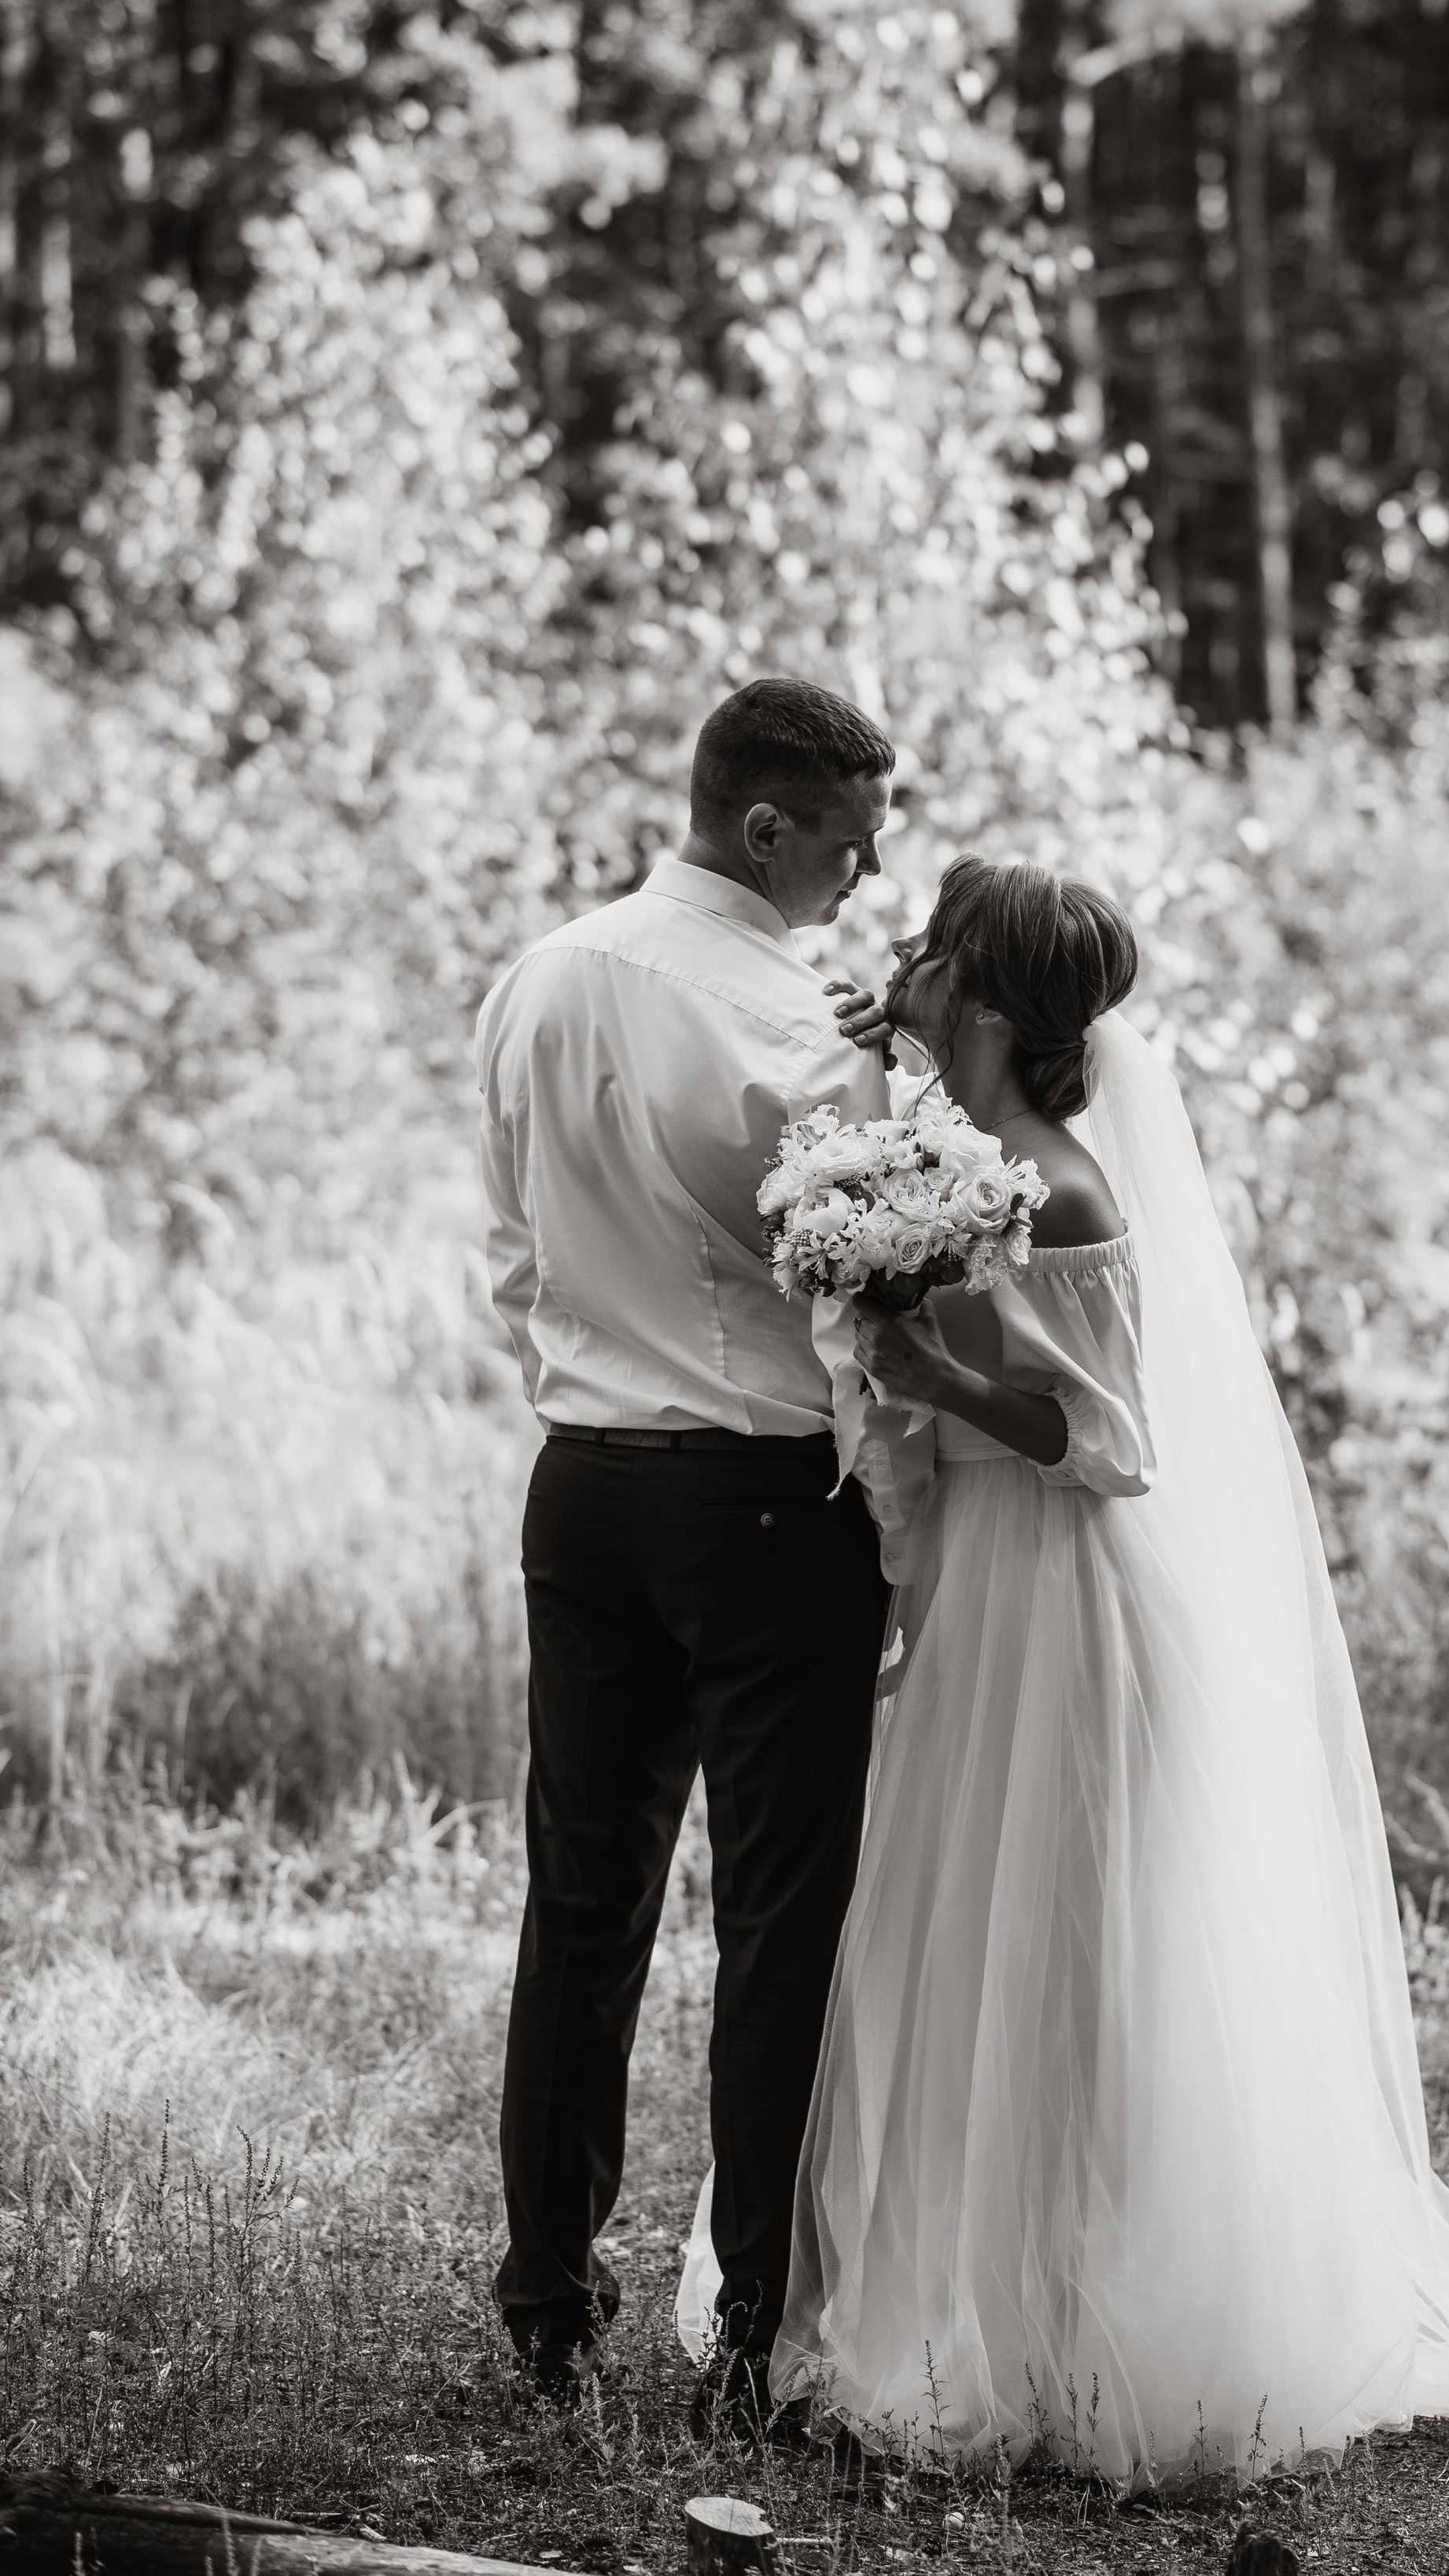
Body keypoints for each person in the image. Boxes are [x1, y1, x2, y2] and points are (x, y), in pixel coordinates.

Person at [682, 854, 1449, 2480]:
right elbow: (913, 1178)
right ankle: (916, 2279)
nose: (900, 959)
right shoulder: (943, 1149)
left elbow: (1108, 1440)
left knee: (1051, 1947)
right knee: (944, 1925)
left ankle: (1061, 2322)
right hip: (982, 1583)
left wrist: (923, 1361)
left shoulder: (1055, 1189)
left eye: (929, 951)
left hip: (1063, 1595)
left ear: (991, 1002)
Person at [475, 676, 898, 2412]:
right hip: (757, 1506)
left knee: (581, 1907)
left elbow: (514, 1257)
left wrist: (594, 1384)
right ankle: (750, 2335)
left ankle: (546, 2304)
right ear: (767, 827)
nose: (867, 882)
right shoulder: (796, 1034)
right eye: (853, 847)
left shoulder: (537, 979)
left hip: (579, 1482)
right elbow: (862, 1305)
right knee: (780, 1923)